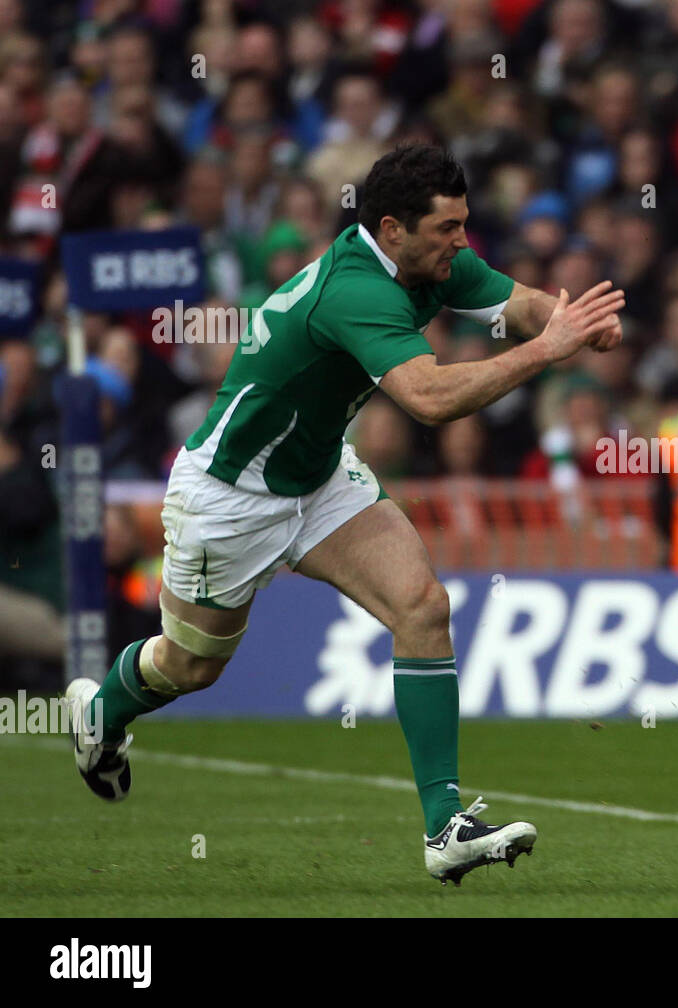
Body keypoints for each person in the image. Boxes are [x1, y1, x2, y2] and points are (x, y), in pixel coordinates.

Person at [63, 144, 625, 886]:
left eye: (463, 224)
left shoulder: (430, 262)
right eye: (447, 228)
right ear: (391, 229)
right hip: (229, 497)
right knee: (190, 665)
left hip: (319, 477)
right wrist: (549, 351)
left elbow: (514, 300)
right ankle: (103, 712)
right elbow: (427, 400)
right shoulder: (354, 290)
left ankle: (445, 827)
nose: (461, 241)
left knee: (423, 606)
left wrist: (566, 319)